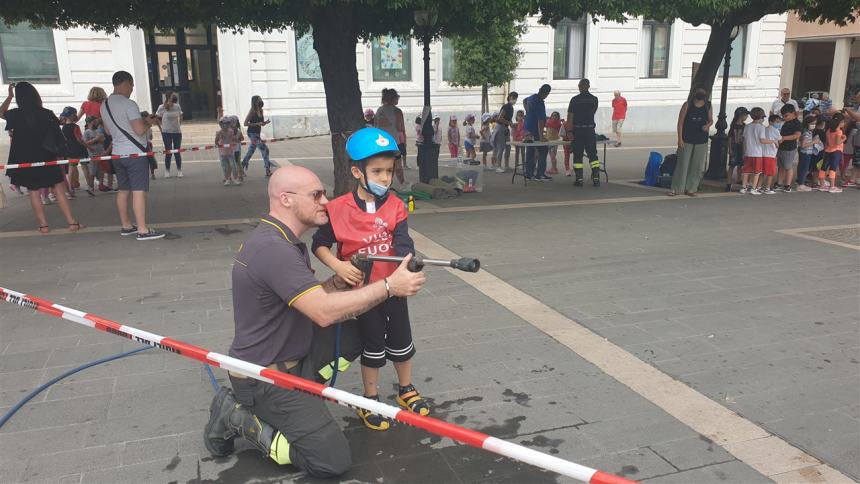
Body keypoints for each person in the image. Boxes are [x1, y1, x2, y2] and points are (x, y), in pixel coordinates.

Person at [203, 165, 426, 478]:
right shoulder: (274, 249)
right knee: (330, 462)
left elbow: (304, 299)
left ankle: (305, 397)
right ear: (286, 199)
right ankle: (239, 417)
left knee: (357, 333)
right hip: (266, 377)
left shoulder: (282, 239)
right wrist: (390, 287)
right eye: (316, 195)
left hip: (293, 358)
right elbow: (322, 312)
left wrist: (336, 282)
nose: (326, 201)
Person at [312, 127, 431, 430]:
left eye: (388, 171)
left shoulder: (396, 206)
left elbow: (403, 243)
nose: (384, 178)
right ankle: (370, 398)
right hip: (363, 293)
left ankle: (406, 389)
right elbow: (319, 244)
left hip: (394, 290)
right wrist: (338, 266)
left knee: (403, 341)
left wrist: (408, 266)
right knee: (372, 346)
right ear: (356, 171)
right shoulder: (337, 209)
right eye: (376, 171)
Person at [1, 82, 84, 234]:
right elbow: (57, 133)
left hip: (26, 159)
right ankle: (72, 222)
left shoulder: (15, 114)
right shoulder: (46, 113)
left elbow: (1, 112)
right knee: (59, 188)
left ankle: (43, 225)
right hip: (47, 156)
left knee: (34, 192)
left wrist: (9, 96)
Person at [100, 70, 164, 240]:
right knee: (138, 191)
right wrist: (149, 122)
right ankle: (143, 229)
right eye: (132, 85)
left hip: (117, 154)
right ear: (126, 83)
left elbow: (107, 131)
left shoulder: (104, 105)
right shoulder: (129, 104)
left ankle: (126, 225)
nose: (132, 89)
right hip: (135, 154)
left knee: (123, 190)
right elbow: (139, 130)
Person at [668, 87, 713, 197]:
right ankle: (677, 188)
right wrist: (680, 139)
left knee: (697, 165)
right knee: (683, 164)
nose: (701, 94)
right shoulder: (687, 105)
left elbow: (710, 119)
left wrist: (708, 125)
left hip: (701, 140)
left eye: (703, 92)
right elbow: (680, 123)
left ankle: (691, 188)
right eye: (699, 92)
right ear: (694, 93)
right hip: (687, 138)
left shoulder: (708, 105)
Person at [567, 79, 601, 186]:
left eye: (579, 85)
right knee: (593, 155)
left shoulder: (574, 100)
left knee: (578, 155)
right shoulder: (594, 99)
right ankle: (596, 178)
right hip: (590, 130)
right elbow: (593, 112)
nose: (579, 87)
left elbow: (570, 117)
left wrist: (569, 131)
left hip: (578, 131)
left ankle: (579, 179)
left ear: (581, 86)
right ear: (589, 86)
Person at [59, 106, 95, 197]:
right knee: (84, 167)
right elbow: (79, 139)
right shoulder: (76, 127)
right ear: (73, 115)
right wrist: (89, 147)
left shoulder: (63, 128)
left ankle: (70, 188)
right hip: (79, 149)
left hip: (70, 150)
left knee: (71, 168)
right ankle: (90, 186)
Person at [375, 88, 408, 179]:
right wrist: (404, 140)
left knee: (384, 166)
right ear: (393, 98)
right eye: (397, 97)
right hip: (394, 142)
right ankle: (402, 183)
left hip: (380, 143)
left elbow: (375, 126)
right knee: (397, 165)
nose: (398, 99)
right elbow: (400, 127)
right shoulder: (397, 111)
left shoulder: (379, 110)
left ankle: (385, 185)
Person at [524, 84, 551, 181]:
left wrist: (528, 112)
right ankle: (540, 174)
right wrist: (541, 136)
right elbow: (540, 120)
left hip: (528, 128)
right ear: (547, 93)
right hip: (535, 130)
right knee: (543, 150)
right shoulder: (539, 102)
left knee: (530, 151)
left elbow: (525, 100)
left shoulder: (531, 98)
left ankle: (529, 173)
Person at [242, 95, 274, 177]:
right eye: (259, 100)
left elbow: (261, 124)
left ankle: (241, 167)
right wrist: (257, 124)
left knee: (251, 151)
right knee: (265, 149)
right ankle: (267, 170)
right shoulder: (252, 111)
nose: (261, 101)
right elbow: (245, 123)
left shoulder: (261, 110)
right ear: (255, 102)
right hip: (252, 133)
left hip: (257, 133)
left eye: (261, 99)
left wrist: (265, 123)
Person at [156, 91, 183, 178]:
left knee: (177, 151)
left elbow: (181, 114)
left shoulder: (177, 106)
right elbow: (156, 117)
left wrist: (179, 124)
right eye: (172, 96)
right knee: (168, 151)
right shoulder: (162, 107)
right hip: (166, 132)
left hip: (177, 132)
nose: (174, 97)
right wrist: (161, 128)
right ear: (168, 97)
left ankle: (179, 170)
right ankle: (167, 171)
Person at [740, 107, 767, 194]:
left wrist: (744, 152)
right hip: (757, 153)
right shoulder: (761, 127)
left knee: (746, 171)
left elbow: (743, 140)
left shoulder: (747, 127)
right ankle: (754, 188)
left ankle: (743, 187)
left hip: (748, 152)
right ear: (761, 116)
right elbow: (762, 140)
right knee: (757, 172)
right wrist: (773, 141)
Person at [776, 104, 802, 192]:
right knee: (780, 167)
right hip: (781, 147)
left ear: (793, 113)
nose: (784, 117)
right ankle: (779, 183)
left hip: (790, 148)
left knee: (788, 166)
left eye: (786, 115)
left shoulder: (797, 123)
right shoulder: (786, 123)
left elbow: (797, 135)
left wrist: (783, 138)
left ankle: (788, 185)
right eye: (783, 116)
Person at [819, 114, 846, 193]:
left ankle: (822, 185)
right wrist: (844, 139)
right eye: (843, 122)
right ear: (839, 123)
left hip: (828, 151)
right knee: (833, 168)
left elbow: (827, 142)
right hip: (836, 151)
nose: (844, 124)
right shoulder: (839, 131)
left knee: (823, 168)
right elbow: (837, 142)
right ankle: (832, 186)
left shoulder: (829, 130)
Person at [491, 92, 517, 173]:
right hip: (500, 128)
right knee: (501, 148)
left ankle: (506, 165)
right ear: (509, 97)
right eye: (513, 97)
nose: (514, 100)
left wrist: (512, 124)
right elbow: (499, 118)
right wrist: (510, 123)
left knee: (508, 147)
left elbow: (508, 119)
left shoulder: (511, 107)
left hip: (505, 128)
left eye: (516, 98)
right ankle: (498, 166)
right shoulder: (506, 107)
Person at [726, 107, 749, 191]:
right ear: (740, 115)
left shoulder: (745, 126)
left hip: (741, 147)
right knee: (732, 165)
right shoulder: (733, 125)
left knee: (740, 165)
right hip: (734, 146)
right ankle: (728, 183)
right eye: (745, 115)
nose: (746, 116)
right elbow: (730, 137)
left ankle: (739, 179)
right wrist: (730, 148)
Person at [796, 115, 820, 191]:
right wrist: (814, 141)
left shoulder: (805, 131)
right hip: (806, 153)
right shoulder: (806, 133)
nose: (814, 125)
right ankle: (801, 185)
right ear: (807, 123)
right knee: (804, 168)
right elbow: (803, 145)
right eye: (812, 123)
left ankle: (800, 182)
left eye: (815, 123)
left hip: (804, 152)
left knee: (802, 167)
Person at [760, 114, 782, 194]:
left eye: (779, 122)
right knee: (770, 173)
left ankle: (759, 187)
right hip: (771, 154)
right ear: (770, 122)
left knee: (762, 172)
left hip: (762, 154)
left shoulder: (765, 129)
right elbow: (780, 140)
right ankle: (767, 188)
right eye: (777, 122)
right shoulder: (775, 130)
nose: (779, 124)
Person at [216, 116, 240, 186]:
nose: (225, 125)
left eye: (227, 123)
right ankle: (227, 179)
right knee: (224, 167)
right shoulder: (219, 132)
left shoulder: (231, 131)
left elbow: (233, 138)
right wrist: (219, 144)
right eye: (223, 123)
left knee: (233, 165)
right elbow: (216, 141)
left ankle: (235, 178)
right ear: (220, 124)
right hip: (222, 153)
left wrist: (236, 139)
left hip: (230, 152)